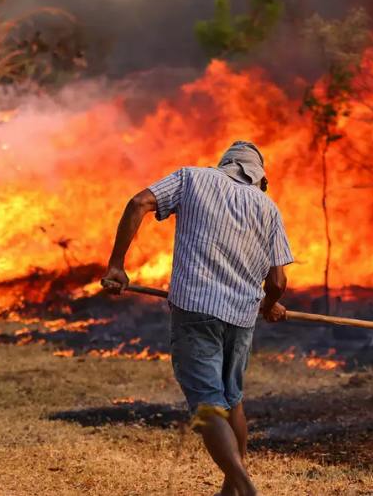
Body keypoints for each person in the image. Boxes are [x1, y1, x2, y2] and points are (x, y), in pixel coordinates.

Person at [102, 141, 293, 496]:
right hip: (240, 317)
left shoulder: (192, 178)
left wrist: (117, 265)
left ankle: (244, 486)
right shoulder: (268, 208)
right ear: (259, 179)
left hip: (195, 310)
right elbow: (279, 282)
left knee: (207, 405)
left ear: (224, 165)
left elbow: (139, 202)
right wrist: (269, 304)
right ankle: (230, 490)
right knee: (231, 399)